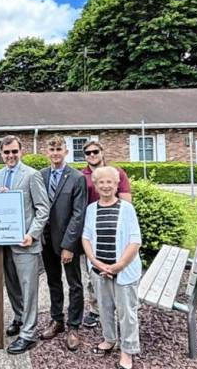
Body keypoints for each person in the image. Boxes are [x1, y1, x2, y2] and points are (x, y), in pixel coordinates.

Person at [0, 135, 50, 355]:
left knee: (29, 289)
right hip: (4, 243)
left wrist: (32, 235)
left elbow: (43, 209)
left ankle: (28, 334)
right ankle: (19, 317)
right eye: (6, 152)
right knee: (12, 286)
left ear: (20, 151)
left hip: (25, 243)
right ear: (1, 154)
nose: (10, 156)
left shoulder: (32, 175)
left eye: (14, 151)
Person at [82, 167, 142, 369]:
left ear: (117, 185)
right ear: (96, 185)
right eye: (101, 182)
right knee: (105, 308)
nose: (106, 186)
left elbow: (135, 240)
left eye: (110, 182)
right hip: (100, 270)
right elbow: (86, 238)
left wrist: (119, 265)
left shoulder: (127, 208)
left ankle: (128, 350)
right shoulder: (91, 209)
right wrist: (97, 263)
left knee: (127, 312)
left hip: (124, 270)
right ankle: (109, 340)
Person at [38, 136, 87, 351]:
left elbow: (78, 214)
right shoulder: (40, 175)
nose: (55, 153)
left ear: (66, 151)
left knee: (74, 284)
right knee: (53, 282)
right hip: (46, 240)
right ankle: (56, 320)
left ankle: (74, 326)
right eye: (52, 149)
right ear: (46, 152)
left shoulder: (76, 177)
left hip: (67, 241)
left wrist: (69, 245)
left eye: (59, 149)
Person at [80, 140, 132, 328]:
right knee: (94, 274)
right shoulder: (81, 175)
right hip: (92, 231)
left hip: (114, 230)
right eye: (88, 153)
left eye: (95, 151)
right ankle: (96, 310)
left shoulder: (117, 173)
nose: (92, 155)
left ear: (102, 152)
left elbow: (126, 202)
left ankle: (120, 309)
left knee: (117, 271)